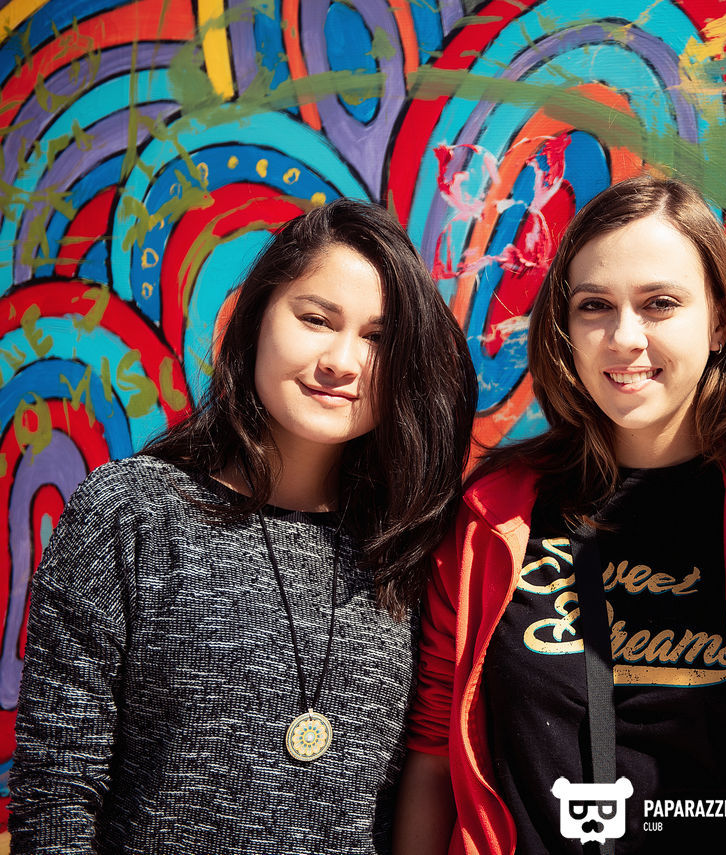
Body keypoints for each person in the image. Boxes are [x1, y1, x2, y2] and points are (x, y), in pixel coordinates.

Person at [395, 175, 726, 854]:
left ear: (720, 322)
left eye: (659, 304)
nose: (623, 337)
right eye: (594, 306)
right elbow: (435, 756)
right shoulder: (491, 518)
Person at [11, 199, 478, 854]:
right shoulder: (131, 512)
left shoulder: (409, 545)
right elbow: (56, 790)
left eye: (378, 338)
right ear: (255, 319)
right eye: (317, 319)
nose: (343, 361)